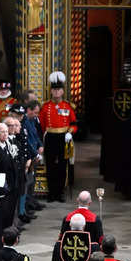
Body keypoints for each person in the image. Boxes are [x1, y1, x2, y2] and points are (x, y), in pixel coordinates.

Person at [39, 71, 77, 202]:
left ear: (62, 91)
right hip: (50, 137)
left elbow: (74, 124)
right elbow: (42, 125)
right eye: (54, 90)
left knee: (62, 165)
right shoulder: (45, 106)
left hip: (64, 138)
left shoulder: (68, 106)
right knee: (50, 166)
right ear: (51, 91)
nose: (56, 92)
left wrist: (69, 132)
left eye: (58, 90)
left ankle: (60, 192)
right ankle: (52, 192)